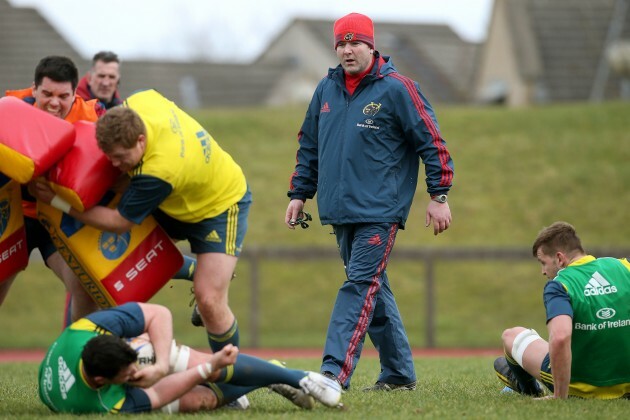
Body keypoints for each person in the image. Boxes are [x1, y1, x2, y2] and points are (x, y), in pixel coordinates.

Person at [284, 12, 454, 391]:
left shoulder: (398, 88)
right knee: (374, 291)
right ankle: (398, 374)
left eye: (354, 43)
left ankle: (332, 375)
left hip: (380, 211)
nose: (347, 50)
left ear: (371, 45)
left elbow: (433, 142)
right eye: (341, 44)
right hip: (339, 210)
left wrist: (438, 195)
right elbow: (308, 145)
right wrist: (299, 194)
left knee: (358, 286)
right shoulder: (325, 90)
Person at [33, 89, 252, 356]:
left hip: (218, 206)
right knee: (118, 261)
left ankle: (231, 379)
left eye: (121, 157)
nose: (114, 163)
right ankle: (79, 354)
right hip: (176, 195)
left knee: (210, 300)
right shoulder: (139, 102)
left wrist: (59, 201)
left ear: (140, 140)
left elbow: (119, 222)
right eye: (109, 155)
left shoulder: (158, 171)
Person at [38, 301, 342, 414]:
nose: (133, 373)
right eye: (127, 374)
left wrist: (159, 364)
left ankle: (299, 377)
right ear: (104, 382)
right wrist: (209, 367)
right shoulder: (102, 403)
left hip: (104, 356)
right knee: (202, 400)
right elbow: (156, 395)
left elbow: (158, 313)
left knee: (154, 350)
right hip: (101, 383)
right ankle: (270, 374)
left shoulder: (84, 330)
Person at [2, 56, 105, 319]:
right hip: (15, 217)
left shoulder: (95, 119)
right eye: (46, 94)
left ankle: (76, 352)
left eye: (63, 95)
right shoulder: (10, 113)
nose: (54, 102)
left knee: (86, 289)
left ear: (75, 93)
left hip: (58, 220)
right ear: (34, 89)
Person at [494, 221, 630, 399]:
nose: (543, 271)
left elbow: (560, 337)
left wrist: (559, 397)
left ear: (559, 258)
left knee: (511, 335)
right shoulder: (624, 267)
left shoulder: (560, 285)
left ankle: (528, 388)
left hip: (580, 387)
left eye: (543, 262)